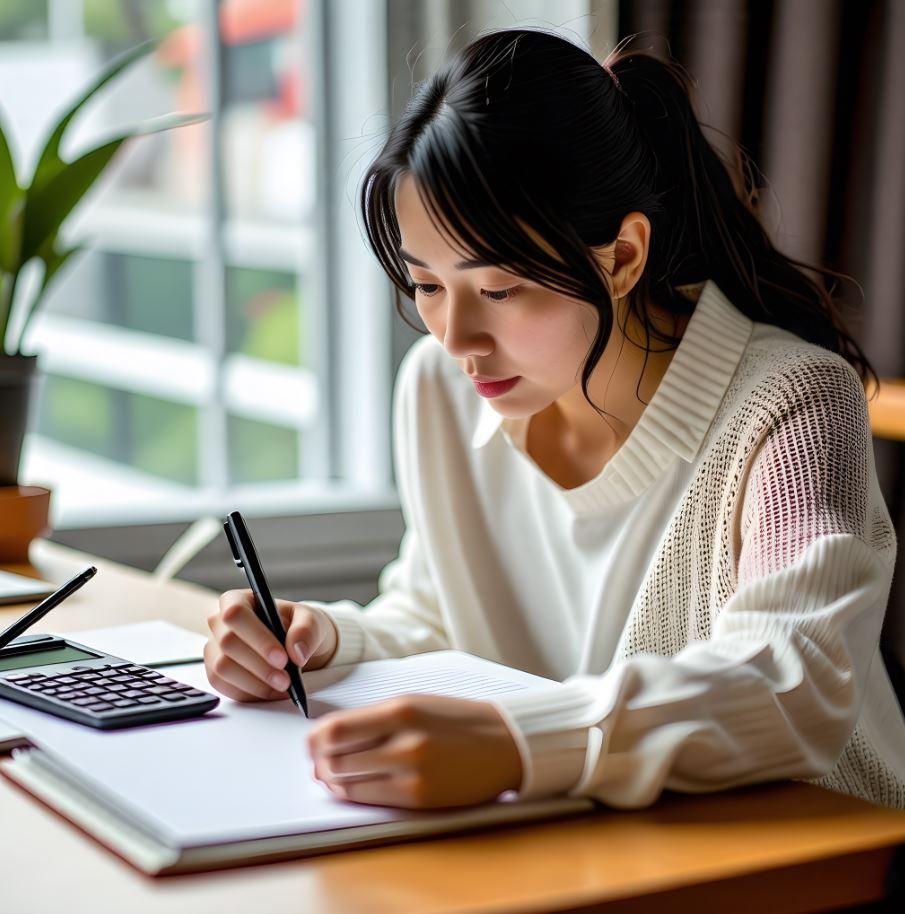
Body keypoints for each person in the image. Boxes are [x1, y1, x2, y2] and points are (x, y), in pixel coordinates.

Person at [204, 28, 905, 811]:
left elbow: (798, 677)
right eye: (426, 286)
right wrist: (321, 641)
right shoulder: (438, 391)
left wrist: (520, 745)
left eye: (499, 289)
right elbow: (443, 613)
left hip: (819, 851)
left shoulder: (793, 402)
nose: (456, 339)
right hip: (592, 848)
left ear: (621, 257)